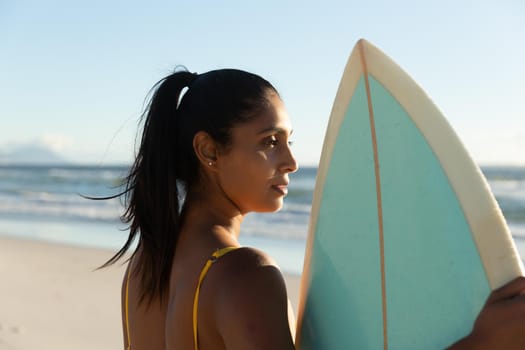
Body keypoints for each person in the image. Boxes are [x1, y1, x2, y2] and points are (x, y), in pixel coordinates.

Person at [102, 67, 525, 349]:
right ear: (209, 150)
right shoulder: (243, 274)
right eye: (270, 142)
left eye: (290, 140)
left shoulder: (143, 269)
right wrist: (481, 342)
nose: (291, 161)